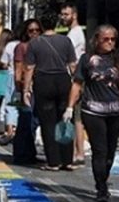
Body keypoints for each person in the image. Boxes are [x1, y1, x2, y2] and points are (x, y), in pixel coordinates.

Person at [67, 25, 119, 202]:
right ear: (97, 40)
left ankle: (103, 178)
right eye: (106, 39)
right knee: (100, 150)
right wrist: (69, 106)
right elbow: (77, 83)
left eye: (113, 39)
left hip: (115, 110)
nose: (110, 43)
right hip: (93, 110)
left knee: (111, 151)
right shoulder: (87, 59)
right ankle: (101, 187)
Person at [23, 15, 78, 171]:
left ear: (41, 26)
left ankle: (53, 161)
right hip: (63, 81)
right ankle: (67, 159)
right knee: (65, 120)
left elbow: (29, 68)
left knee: (48, 123)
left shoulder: (34, 43)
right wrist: (76, 85)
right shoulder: (66, 41)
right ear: (56, 23)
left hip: (43, 81)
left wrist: (26, 90)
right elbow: (72, 65)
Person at [60, 4, 88, 164]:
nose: (63, 17)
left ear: (74, 15)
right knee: (77, 117)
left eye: (66, 14)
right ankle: (79, 151)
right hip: (76, 78)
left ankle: (78, 152)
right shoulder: (76, 33)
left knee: (75, 117)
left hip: (74, 79)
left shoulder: (74, 35)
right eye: (62, 14)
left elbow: (71, 60)